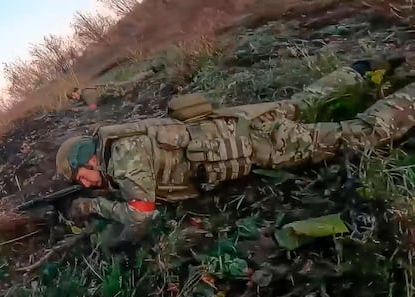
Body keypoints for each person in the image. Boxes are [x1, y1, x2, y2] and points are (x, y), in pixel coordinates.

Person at [55, 56, 413, 231]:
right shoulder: (124, 138)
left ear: (90, 160)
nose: (85, 185)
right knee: (305, 101)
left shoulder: (122, 159)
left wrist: (91, 208)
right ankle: (364, 68)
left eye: (80, 178)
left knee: (360, 133)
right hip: (243, 118)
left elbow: (141, 217)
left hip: (261, 143)